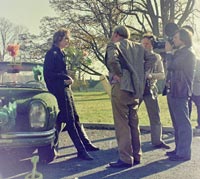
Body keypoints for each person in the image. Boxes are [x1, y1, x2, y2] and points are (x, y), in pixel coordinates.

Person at [105, 25, 157, 168]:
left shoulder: (113, 45)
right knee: (134, 122)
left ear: (116, 34)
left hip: (121, 87)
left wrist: (119, 75)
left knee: (122, 124)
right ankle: (137, 155)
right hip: (135, 88)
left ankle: (126, 158)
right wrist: (141, 72)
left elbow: (112, 61)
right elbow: (153, 58)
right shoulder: (139, 47)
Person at [43, 28, 95, 161]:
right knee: (70, 120)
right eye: (66, 38)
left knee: (73, 117)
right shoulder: (51, 54)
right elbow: (48, 74)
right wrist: (64, 78)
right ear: (58, 38)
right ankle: (81, 150)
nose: (68, 41)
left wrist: (67, 78)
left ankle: (86, 145)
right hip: (59, 90)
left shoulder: (61, 53)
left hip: (66, 89)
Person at [165, 28, 196, 161]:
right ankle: (179, 149)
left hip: (181, 91)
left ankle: (183, 153)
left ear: (183, 39)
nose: (173, 40)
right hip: (175, 90)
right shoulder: (181, 52)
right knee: (177, 123)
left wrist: (168, 52)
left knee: (183, 123)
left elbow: (172, 66)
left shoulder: (187, 53)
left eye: (176, 38)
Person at [140, 34, 170, 149]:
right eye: (143, 43)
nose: (144, 46)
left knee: (155, 117)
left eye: (147, 44)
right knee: (131, 117)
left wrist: (151, 75)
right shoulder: (137, 57)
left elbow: (162, 75)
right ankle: (131, 141)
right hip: (137, 90)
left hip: (150, 89)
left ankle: (157, 141)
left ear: (152, 45)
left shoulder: (157, 57)